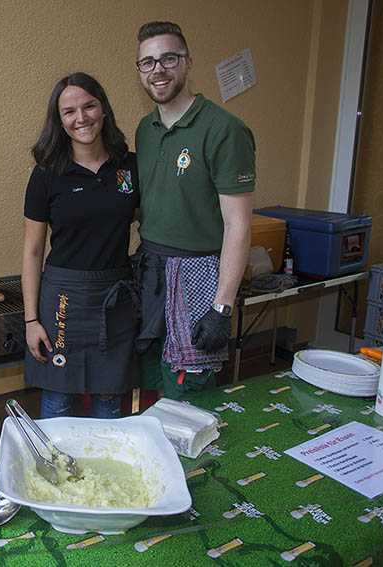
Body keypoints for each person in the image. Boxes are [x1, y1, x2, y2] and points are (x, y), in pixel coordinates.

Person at [134, 21, 255, 400]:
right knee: (152, 386)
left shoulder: (224, 130)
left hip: (198, 276)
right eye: (147, 62)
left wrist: (222, 307)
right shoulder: (145, 129)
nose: (158, 70)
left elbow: (238, 224)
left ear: (187, 63)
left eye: (168, 58)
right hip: (150, 272)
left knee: (189, 395)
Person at [22, 73, 139, 419]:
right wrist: (31, 319)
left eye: (89, 106)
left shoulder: (128, 167)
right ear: (59, 121)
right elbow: (32, 252)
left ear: (103, 109)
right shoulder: (46, 174)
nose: (81, 118)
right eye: (69, 111)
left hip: (114, 299)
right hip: (63, 301)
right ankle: (54, 473)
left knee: (109, 402)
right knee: (58, 404)